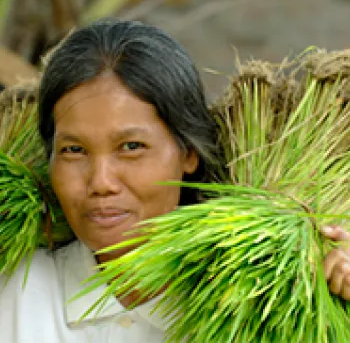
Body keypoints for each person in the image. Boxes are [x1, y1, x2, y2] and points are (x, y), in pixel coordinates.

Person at [0, 19, 349, 342]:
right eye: (74, 150)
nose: (101, 182)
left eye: (131, 147)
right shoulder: (16, 292)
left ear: (187, 152)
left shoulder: (261, 303)